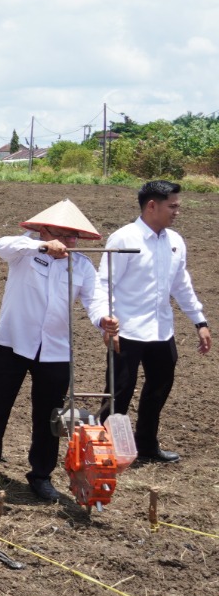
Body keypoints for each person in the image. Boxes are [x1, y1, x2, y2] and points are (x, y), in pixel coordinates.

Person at [0, 200, 117, 503]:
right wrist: (41, 246)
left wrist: (103, 320)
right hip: (11, 343)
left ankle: (40, 475)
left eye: (73, 236)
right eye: (63, 235)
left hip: (55, 350)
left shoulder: (80, 265)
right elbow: (1, 244)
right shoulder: (23, 252)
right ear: (44, 230)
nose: (69, 242)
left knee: (49, 417)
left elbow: (95, 300)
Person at [92, 180, 209, 464]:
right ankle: (104, 447)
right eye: (173, 206)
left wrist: (199, 321)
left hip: (161, 330)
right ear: (152, 206)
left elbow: (182, 285)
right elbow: (104, 284)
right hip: (127, 330)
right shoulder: (124, 239)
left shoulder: (175, 242)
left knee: (159, 387)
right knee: (118, 391)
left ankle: (146, 444)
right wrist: (105, 323)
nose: (177, 212)